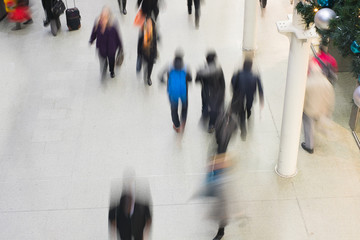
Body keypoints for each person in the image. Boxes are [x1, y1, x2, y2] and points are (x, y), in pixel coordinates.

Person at [301, 62, 335, 154]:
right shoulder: (327, 83)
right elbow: (330, 98)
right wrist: (328, 110)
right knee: (317, 122)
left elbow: (303, 98)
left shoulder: (308, 83)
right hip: (322, 110)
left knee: (308, 127)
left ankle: (309, 146)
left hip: (310, 110)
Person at [109, 171, 152, 240]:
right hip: (124, 227)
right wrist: (113, 230)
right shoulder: (119, 191)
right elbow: (112, 213)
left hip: (138, 226)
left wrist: (146, 232)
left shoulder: (140, 191)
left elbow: (148, 214)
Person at [159, 50, 192, 133]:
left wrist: (163, 81)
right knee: (184, 107)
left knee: (174, 109)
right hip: (183, 91)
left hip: (172, 91)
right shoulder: (186, 66)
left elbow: (160, 75)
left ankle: (177, 126)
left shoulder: (169, 65)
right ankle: (183, 122)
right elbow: (190, 78)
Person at [231, 58, 264, 140]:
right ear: (251, 66)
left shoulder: (237, 74)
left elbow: (232, 84)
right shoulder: (255, 76)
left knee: (241, 114)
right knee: (249, 107)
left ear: (243, 66)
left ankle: (243, 132)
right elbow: (260, 89)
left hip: (239, 98)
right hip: (250, 97)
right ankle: (248, 113)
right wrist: (261, 100)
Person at [196, 51, 225, 133]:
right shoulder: (219, 69)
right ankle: (211, 125)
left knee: (205, 103)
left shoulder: (203, 69)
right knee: (214, 108)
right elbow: (222, 82)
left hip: (205, 90)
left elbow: (197, 80)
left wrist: (201, 79)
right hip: (216, 91)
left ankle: (204, 115)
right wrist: (222, 93)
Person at [90, 7, 123, 79]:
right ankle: (104, 70)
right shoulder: (98, 24)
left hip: (111, 49)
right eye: (102, 16)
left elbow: (118, 36)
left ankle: (112, 71)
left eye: (104, 17)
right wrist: (91, 40)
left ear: (108, 17)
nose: (102, 18)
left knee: (111, 61)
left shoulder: (113, 27)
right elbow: (94, 33)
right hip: (102, 48)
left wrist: (121, 46)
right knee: (103, 61)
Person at [137, 17, 158, 86]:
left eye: (150, 24)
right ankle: (146, 74)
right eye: (147, 23)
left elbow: (155, 45)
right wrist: (139, 55)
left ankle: (148, 77)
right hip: (144, 54)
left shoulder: (154, 33)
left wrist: (155, 55)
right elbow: (139, 45)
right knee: (145, 65)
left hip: (151, 55)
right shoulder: (143, 33)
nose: (148, 25)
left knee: (150, 67)